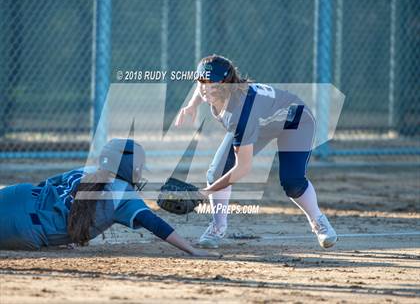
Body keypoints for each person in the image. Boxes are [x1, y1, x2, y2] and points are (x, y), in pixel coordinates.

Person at [176, 54, 337, 249]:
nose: (205, 87)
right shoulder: (219, 93)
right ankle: (218, 226)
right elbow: (203, 87)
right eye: (202, 80)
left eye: (213, 82)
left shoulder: (240, 113)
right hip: (261, 123)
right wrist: (192, 105)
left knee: (292, 181)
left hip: (295, 121)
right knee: (216, 171)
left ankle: (318, 220)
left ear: (227, 83)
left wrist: (205, 193)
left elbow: (243, 168)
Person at [0, 138, 217, 257]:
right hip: (24, 230)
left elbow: (47, 185)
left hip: (15, 194)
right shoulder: (125, 195)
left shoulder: (86, 169)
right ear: (129, 167)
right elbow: (155, 224)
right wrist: (192, 249)